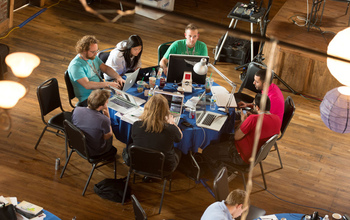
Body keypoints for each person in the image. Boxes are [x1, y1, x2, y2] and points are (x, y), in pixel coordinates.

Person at [203, 94, 281, 167]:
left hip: (240, 155)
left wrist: (243, 121)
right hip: (255, 155)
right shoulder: (277, 119)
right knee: (222, 135)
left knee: (207, 152)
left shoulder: (253, 119)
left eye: (253, 105)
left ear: (257, 108)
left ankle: (221, 173)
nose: (252, 106)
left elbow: (236, 137)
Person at [130, 94, 183, 174]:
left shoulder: (136, 124)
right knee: (178, 152)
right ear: (166, 111)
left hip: (138, 163)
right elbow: (180, 137)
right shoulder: (170, 129)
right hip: (164, 167)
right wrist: (172, 123)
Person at [68, 35, 125, 107]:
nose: (96, 54)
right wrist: (107, 84)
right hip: (89, 98)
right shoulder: (76, 66)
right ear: (83, 51)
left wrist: (118, 77)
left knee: (122, 98)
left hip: (99, 91)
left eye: (96, 51)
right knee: (117, 106)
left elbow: (106, 68)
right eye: (93, 52)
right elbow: (87, 85)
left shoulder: (92, 57)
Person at [71, 89, 116, 157]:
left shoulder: (76, 109)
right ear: (101, 106)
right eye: (107, 102)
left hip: (78, 144)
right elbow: (108, 136)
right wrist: (107, 117)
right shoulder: (103, 120)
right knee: (110, 135)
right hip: (94, 151)